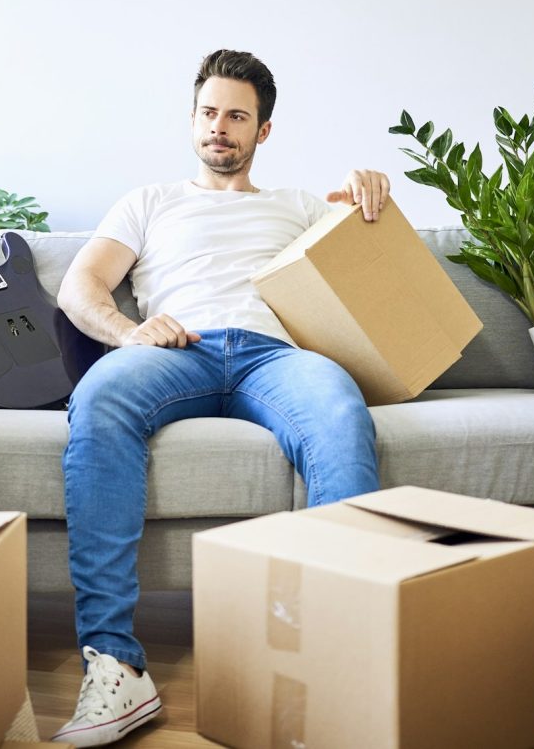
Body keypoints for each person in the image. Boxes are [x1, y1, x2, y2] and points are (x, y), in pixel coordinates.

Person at [51, 49, 390, 747]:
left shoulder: (298, 207)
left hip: (276, 357)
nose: (220, 127)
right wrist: (128, 332)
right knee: (100, 400)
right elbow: (79, 287)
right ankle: (114, 663)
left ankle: (338, 660)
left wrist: (370, 194)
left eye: (237, 116)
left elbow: (381, 275)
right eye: (209, 113)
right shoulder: (149, 202)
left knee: (339, 409)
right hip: (175, 351)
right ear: (192, 120)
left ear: (262, 132)